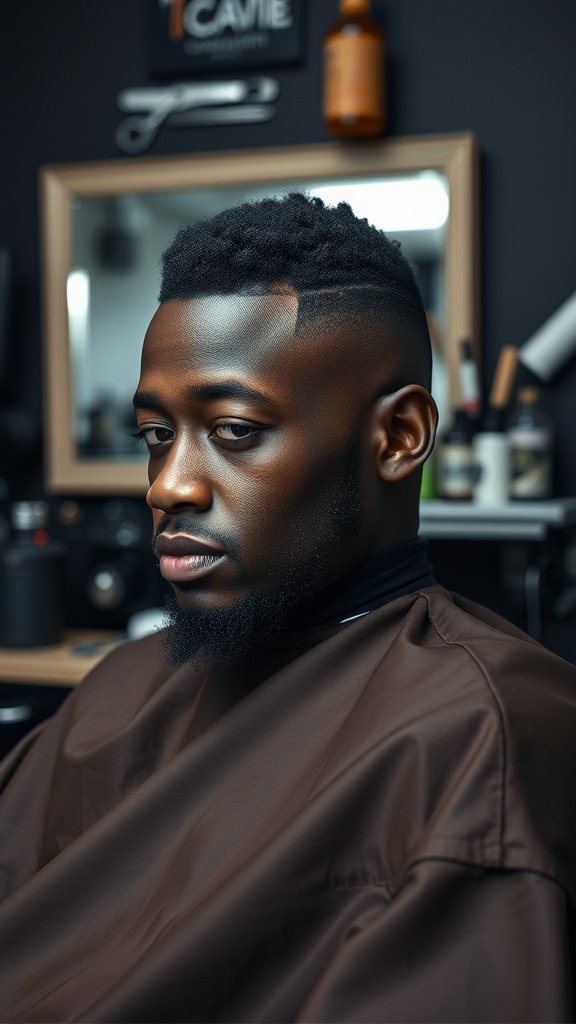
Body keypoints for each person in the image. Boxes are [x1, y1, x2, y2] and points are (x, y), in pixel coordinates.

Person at [1, 193, 575, 1023]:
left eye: (234, 430)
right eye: (157, 435)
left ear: (398, 437)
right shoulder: (120, 686)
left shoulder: (481, 740)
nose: (168, 486)